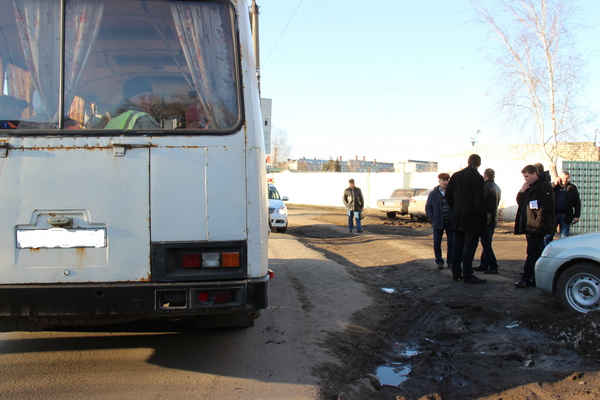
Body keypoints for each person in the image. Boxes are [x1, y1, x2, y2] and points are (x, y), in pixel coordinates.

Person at [445, 154, 487, 284]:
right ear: (479, 164)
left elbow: (447, 194)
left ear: (468, 162)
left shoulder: (456, 175)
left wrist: (455, 208)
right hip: (472, 218)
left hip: (457, 217)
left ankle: (456, 273)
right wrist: (483, 216)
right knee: (469, 246)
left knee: (457, 245)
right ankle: (468, 274)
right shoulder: (477, 177)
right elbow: (479, 200)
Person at [514, 165, 555, 288]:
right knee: (536, 251)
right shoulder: (530, 186)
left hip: (537, 226)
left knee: (532, 251)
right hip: (530, 225)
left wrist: (538, 222)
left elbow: (547, 207)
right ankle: (534, 275)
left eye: (527, 176)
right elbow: (521, 202)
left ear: (535, 174)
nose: (525, 179)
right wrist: (521, 191)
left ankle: (526, 278)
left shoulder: (544, 185)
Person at [473, 168, 502, 274]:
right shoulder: (496, 187)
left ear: (485, 176)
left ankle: (493, 266)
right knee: (486, 242)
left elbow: (481, 204)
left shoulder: (486, 188)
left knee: (486, 243)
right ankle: (484, 264)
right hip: (492, 218)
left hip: (486, 219)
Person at [425, 173, 454, 270]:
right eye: (444, 180)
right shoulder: (433, 194)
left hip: (450, 223)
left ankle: (451, 262)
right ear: (439, 181)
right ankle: (439, 261)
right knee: (437, 244)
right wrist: (433, 217)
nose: (446, 182)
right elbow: (428, 207)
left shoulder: (452, 193)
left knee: (451, 244)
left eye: (447, 180)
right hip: (438, 223)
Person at [544, 170, 581, 246]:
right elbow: (547, 193)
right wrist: (555, 184)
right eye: (563, 178)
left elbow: (577, 203)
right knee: (549, 235)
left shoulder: (572, 188)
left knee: (564, 236)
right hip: (553, 214)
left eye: (567, 178)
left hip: (566, 214)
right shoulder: (554, 187)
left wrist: (577, 216)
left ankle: (562, 251)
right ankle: (545, 251)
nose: (565, 180)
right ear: (559, 178)